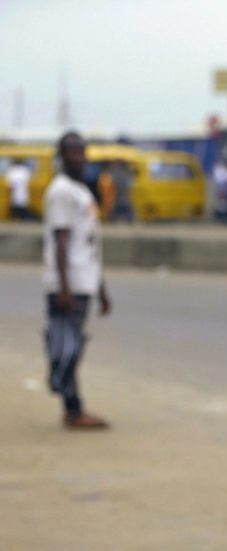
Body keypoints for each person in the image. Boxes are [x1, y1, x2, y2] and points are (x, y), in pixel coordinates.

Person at [43, 132, 110, 429]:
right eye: (72, 152)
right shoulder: (61, 191)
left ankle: (71, 403)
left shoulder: (80, 190)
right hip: (68, 284)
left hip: (84, 280)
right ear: (61, 156)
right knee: (68, 347)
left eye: (81, 152)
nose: (78, 158)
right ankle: (73, 409)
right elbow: (61, 241)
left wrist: (101, 287)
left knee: (72, 345)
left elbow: (89, 243)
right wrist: (64, 288)